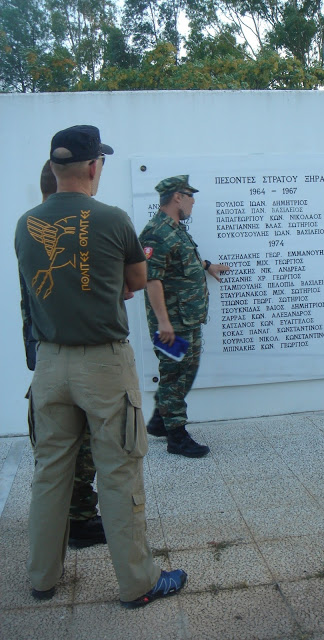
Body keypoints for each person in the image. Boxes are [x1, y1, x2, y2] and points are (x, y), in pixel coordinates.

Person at [15, 125, 186, 607]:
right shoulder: (112, 219)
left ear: (53, 168)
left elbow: (35, 288)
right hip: (104, 364)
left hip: (49, 365)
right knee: (118, 471)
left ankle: (42, 579)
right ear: (94, 167)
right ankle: (138, 583)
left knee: (50, 473)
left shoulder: (25, 223)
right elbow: (135, 279)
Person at [19, 160, 106, 548]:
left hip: (46, 359)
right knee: (79, 449)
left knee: (54, 455)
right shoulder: (66, 232)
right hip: (74, 358)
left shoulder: (26, 230)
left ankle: (65, 529)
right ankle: (80, 521)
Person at [139, 175, 229, 457]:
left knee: (185, 372)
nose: (193, 202)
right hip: (172, 324)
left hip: (188, 320)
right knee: (175, 374)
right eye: (190, 197)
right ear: (177, 197)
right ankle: (176, 437)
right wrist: (164, 323)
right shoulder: (156, 232)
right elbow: (151, 279)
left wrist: (207, 265)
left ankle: (159, 420)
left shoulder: (175, 229)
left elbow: (181, 260)